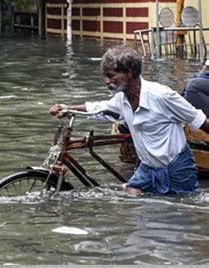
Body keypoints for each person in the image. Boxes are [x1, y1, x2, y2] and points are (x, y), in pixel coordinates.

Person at [49, 45, 209, 195]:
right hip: (147, 168)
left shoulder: (162, 96)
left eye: (111, 76)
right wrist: (68, 108)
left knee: (180, 215)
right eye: (105, 76)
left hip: (176, 169)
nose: (106, 81)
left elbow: (200, 121)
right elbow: (100, 108)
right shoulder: (122, 99)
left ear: (129, 73)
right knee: (133, 203)